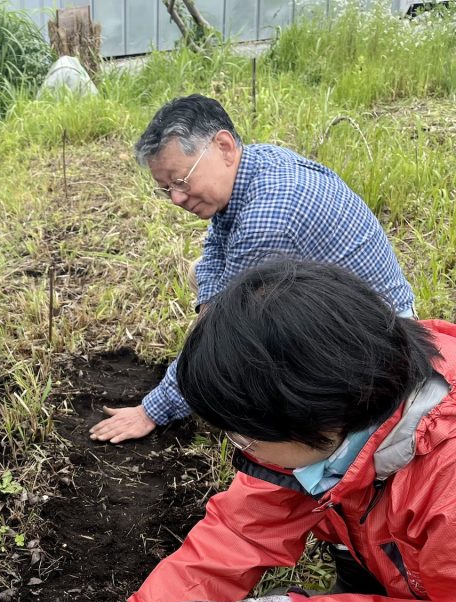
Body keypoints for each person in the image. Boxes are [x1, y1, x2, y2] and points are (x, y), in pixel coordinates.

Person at [14, 261, 456, 602]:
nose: (241, 447)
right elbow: (240, 530)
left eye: (245, 435)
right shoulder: (354, 414)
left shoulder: (445, 489)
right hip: (426, 586)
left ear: (313, 416)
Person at [90, 93, 415, 445]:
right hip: (343, 315)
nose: (177, 199)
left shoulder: (270, 217)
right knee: (202, 274)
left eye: (181, 182)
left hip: (376, 352)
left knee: (242, 417)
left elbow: (229, 331)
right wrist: (210, 307)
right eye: (166, 189)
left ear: (224, 146)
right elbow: (217, 240)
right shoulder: (254, 164)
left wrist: (152, 410)